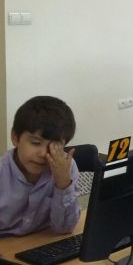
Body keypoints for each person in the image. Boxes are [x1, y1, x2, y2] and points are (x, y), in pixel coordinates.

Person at [0, 96, 80, 236]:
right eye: (36, 143)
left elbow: (64, 229)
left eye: (54, 147)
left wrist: (63, 184)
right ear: (15, 138)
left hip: (41, 240)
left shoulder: (66, 168)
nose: (43, 154)